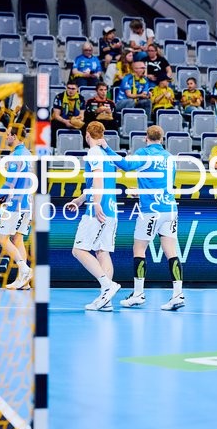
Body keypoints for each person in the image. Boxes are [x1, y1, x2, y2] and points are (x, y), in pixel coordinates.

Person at [99, 125, 185, 311]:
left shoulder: (144, 153)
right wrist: (142, 192)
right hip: (170, 208)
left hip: (151, 210)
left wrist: (106, 147)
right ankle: (177, 294)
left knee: (139, 248)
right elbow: (168, 183)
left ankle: (138, 294)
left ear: (146, 137)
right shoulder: (170, 158)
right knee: (171, 251)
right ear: (162, 139)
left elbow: (125, 165)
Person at [66, 121, 121, 311]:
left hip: (98, 208)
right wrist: (80, 200)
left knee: (78, 250)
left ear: (87, 134)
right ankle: (106, 299)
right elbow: (97, 183)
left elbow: (98, 179)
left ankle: (108, 285)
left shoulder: (94, 152)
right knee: (102, 251)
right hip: (111, 208)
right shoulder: (106, 153)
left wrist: (95, 203)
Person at [0, 125, 34, 290]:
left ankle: (24, 269)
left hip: (15, 204)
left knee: (2, 239)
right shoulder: (28, 154)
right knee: (18, 239)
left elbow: (9, 184)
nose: (6, 138)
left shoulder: (16, 156)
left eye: (8, 135)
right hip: (28, 202)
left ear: (14, 136)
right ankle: (23, 282)